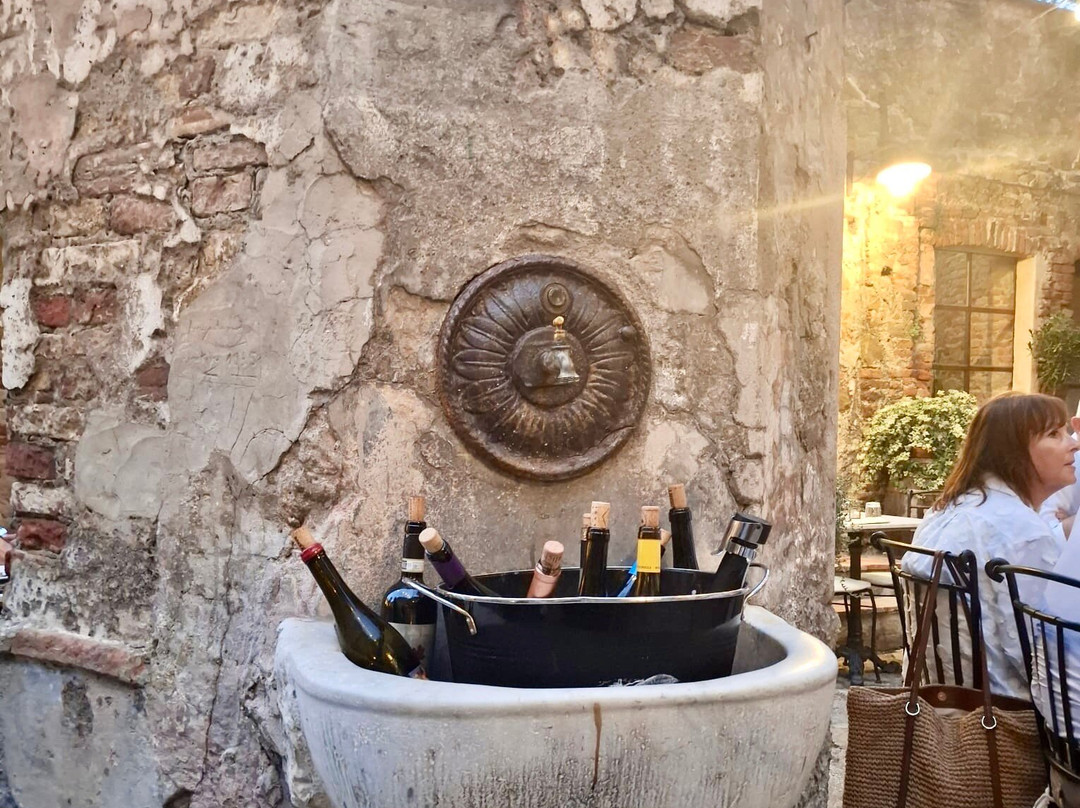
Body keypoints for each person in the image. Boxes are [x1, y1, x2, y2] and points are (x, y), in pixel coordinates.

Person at [901, 392, 1076, 699]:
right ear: (1013, 451)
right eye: (1054, 434)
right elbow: (1049, 661)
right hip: (1009, 712)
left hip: (938, 701)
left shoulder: (944, 511)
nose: (1073, 444)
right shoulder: (1023, 533)